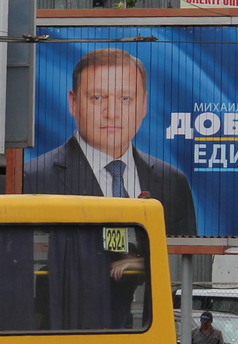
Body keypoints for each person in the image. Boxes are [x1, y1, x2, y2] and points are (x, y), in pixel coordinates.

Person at [24, 48, 198, 237]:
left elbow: (187, 262)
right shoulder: (32, 180)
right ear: (73, 103)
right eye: (97, 98)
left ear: (144, 105)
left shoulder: (173, 182)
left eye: (125, 98)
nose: (112, 113)